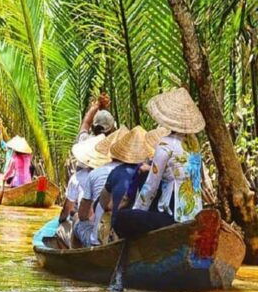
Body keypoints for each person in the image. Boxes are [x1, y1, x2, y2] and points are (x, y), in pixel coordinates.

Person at [114, 88, 206, 239]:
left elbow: (151, 186)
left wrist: (137, 213)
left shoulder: (165, 144)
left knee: (122, 218)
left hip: (173, 217)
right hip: (194, 216)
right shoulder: (195, 146)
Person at [90, 126, 154, 244]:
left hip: (121, 229)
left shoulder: (117, 172)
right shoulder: (153, 172)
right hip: (143, 229)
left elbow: (103, 204)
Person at [73, 126, 129, 247]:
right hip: (125, 236)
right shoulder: (138, 171)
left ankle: (74, 257)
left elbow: (83, 215)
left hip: (100, 239)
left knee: (77, 220)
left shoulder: (95, 173)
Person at [55, 134, 108, 248]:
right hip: (110, 229)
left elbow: (69, 210)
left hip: (94, 231)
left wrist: (61, 221)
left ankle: (74, 252)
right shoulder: (116, 172)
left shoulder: (79, 177)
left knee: (75, 219)